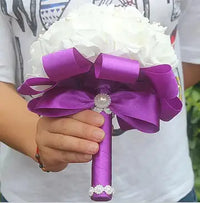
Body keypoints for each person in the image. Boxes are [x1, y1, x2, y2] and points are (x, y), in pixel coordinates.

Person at [0, 0, 200, 202]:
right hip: (35, 193)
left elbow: (193, 57)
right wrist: (36, 138)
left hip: (164, 187)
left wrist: (131, 97)